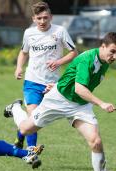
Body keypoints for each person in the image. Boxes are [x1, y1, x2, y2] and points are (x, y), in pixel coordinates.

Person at [4, 32, 116, 171]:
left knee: (95, 141)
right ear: (102, 46)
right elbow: (80, 89)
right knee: (25, 129)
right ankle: (15, 108)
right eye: (112, 51)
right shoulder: (88, 59)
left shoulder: (105, 61)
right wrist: (101, 103)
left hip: (80, 105)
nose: (115, 57)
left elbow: (73, 77)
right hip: (58, 100)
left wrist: (59, 83)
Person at [12, 2, 78, 149]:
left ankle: (19, 130)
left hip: (53, 84)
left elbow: (74, 52)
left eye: (45, 18)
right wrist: (18, 68)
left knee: (40, 119)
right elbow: (23, 52)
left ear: (51, 17)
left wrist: (59, 61)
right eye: (39, 18)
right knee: (34, 116)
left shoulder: (60, 31)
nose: (42, 21)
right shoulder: (29, 33)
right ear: (33, 19)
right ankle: (31, 151)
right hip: (32, 81)